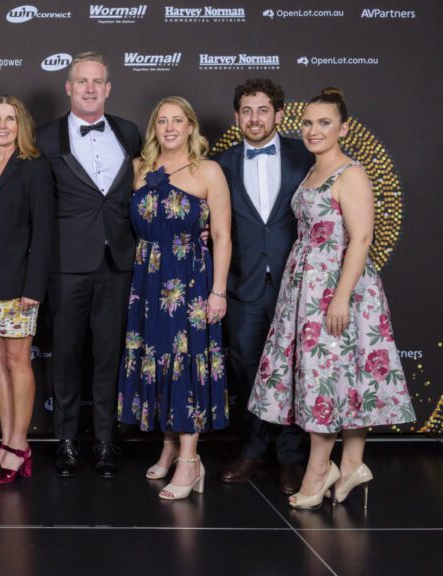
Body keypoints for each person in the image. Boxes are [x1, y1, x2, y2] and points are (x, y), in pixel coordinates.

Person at [248, 88, 415, 509]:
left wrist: (340, 298)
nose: (313, 130)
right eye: (308, 122)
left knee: (326, 376)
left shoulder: (350, 173)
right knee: (344, 375)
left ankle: (319, 469)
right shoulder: (313, 170)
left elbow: (361, 238)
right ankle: (353, 463)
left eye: (324, 122)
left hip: (338, 287)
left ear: (343, 128)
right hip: (306, 285)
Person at [117, 96, 232, 500]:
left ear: (190, 127)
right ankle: (168, 446)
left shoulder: (208, 171)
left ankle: (189, 460)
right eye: (162, 121)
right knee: (158, 358)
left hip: (189, 280)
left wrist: (218, 291)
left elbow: (222, 236)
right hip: (147, 280)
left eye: (177, 120)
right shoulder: (139, 167)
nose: (169, 127)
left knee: (185, 361)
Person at [36, 52, 142, 477]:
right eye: (82, 81)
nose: (90, 88)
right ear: (68, 87)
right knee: (65, 356)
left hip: (118, 262)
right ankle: (65, 440)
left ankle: (104, 441)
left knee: (108, 356)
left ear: (109, 88)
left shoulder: (128, 132)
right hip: (66, 264)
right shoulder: (45, 137)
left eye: (98, 81)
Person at [214, 79, 313, 494]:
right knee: (246, 370)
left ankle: (290, 457)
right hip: (243, 284)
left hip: (296, 284)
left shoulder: (306, 155)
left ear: (279, 114)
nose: (254, 119)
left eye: (263, 110)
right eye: (247, 111)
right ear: (237, 116)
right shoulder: (220, 164)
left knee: (294, 370)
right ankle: (253, 451)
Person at [0, 96, 54, 484]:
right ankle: (5, 441)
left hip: (19, 284)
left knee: (18, 360)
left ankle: (20, 445)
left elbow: (44, 232)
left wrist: (34, 286)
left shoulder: (34, 167)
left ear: (21, 126)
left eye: (10, 119)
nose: (2, 125)